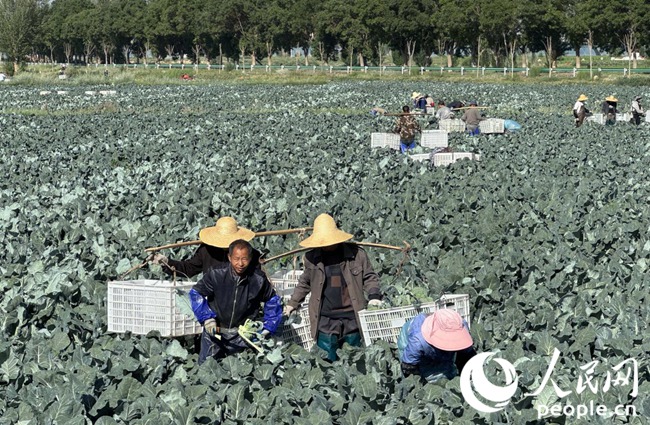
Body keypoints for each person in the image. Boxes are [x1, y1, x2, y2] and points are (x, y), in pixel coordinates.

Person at [283, 213, 383, 361]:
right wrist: (293, 303)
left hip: (352, 317)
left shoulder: (357, 255)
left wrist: (374, 296)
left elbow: (370, 277)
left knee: (355, 360)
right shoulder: (312, 258)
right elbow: (304, 283)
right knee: (326, 363)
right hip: (325, 319)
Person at [189, 239, 282, 364]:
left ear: (250, 258)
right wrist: (207, 319)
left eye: (244, 259)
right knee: (207, 369)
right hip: (215, 331)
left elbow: (272, 300)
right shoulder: (216, 274)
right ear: (229, 257)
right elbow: (196, 293)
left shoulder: (258, 279)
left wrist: (268, 327)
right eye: (236, 259)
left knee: (240, 372)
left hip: (242, 335)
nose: (240, 263)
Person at [150, 216, 261, 278]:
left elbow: (257, 281)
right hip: (213, 304)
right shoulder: (206, 251)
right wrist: (166, 262)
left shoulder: (250, 253)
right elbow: (188, 268)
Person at [398, 309, 476, 382]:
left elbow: (466, 355)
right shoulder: (417, 341)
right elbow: (408, 366)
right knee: (426, 375)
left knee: (447, 372)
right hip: (412, 341)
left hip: (428, 347)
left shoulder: (461, 326)